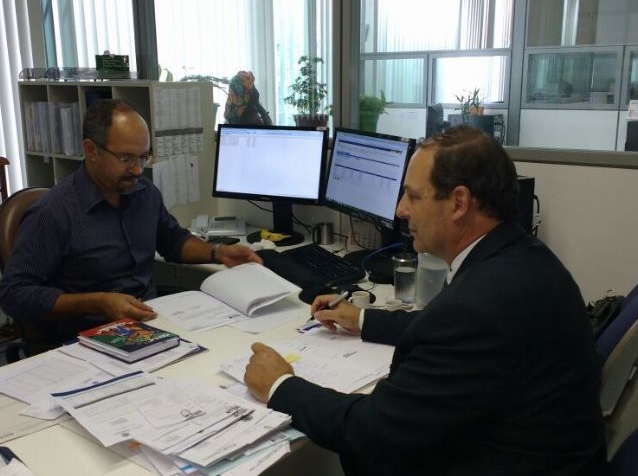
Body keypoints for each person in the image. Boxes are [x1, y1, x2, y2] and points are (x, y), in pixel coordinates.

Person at [244, 126, 606, 475]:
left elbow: (376, 432)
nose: (401, 209)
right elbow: (447, 329)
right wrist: (363, 319)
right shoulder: (520, 256)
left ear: (459, 203)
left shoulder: (477, 305)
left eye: (414, 196)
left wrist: (281, 386)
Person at [0, 99, 261, 344]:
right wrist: (98, 302)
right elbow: (15, 294)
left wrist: (218, 252)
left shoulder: (144, 193)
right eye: (126, 159)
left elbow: (173, 241)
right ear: (91, 150)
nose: (137, 169)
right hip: (85, 337)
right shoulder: (52, 212)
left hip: (149, 324)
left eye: (143, 157)